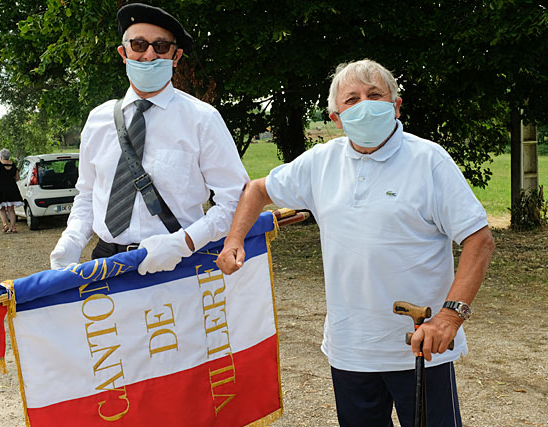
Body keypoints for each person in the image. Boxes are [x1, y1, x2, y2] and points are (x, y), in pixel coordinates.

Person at [217, 59, 495, 427]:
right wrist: (234, 239)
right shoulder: (320, 162)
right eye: (352, 99)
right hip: (350, 349)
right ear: (336, 117)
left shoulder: (429, 160)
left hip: (421, 347)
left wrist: (450, 316)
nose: (364, 105)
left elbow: (479, 239)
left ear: (396, 105)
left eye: (375, 95)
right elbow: (257, 190)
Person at [50, 3, 248, 274]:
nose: (150, 54)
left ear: (176, 56)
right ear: (124, 52)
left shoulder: (202, 120)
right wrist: (72, 239)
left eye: (161, 46)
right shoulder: (98, 121)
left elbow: (235, 200)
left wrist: (184, 242)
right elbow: (87, 194)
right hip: (106, 262)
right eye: (139, 44)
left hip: (177, 261)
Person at [0, 148, 23, 233]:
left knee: (1, 208)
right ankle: (13, 227)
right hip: (12, 188)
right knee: (11, 209)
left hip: (1, 189)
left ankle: (5, 225)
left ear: (1, 156)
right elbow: (17, 178)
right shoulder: (13, 165)